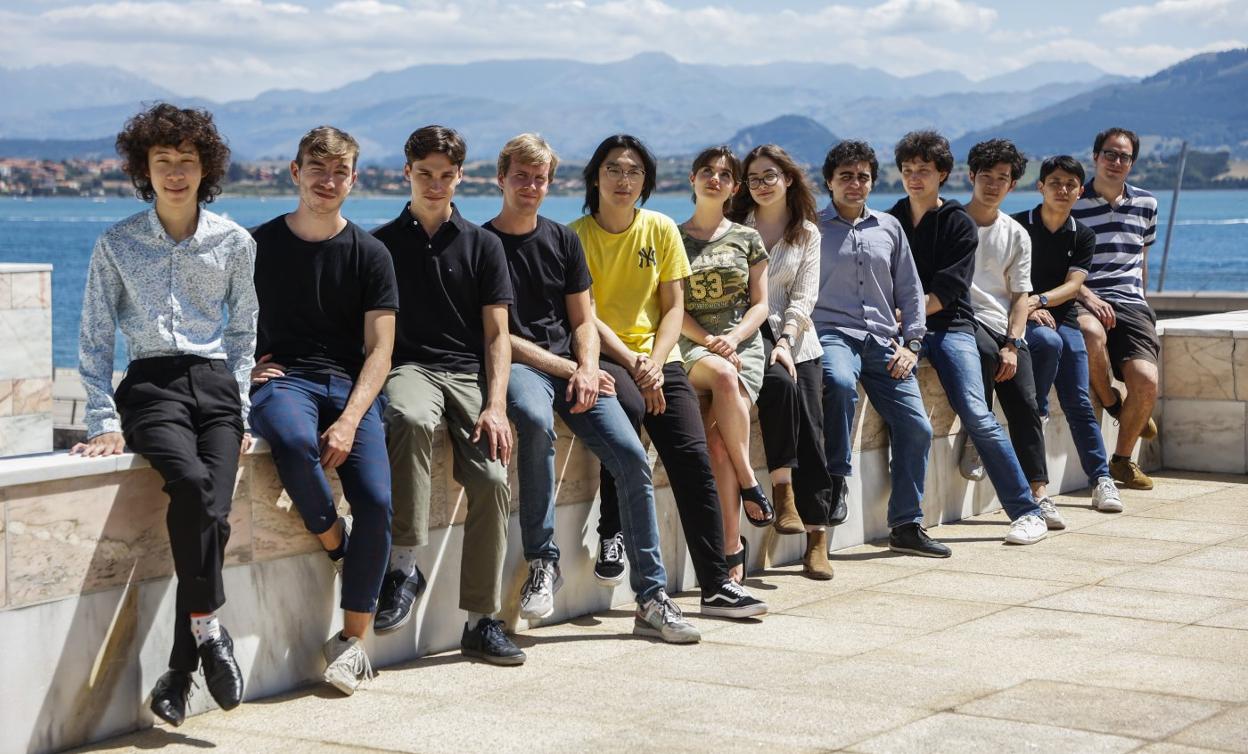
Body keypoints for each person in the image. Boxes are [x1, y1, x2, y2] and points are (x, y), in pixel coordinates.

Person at [73, 102, 254, 725]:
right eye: (162, 161)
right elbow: (96, 337)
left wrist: (244, 409)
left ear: (207, 168)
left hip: (216, 389)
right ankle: (208, 629)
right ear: (142, 170)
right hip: (150, 387)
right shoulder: (117, 243)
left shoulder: (234, 241)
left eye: (187, 160)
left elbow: (244, 338)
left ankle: (178, 674)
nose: (175, 172)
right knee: (195, 488)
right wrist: (102, 418)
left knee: (214, 519)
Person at [486, 133, 698, 643]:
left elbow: (584, 319)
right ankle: (543, 562)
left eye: (540, 178)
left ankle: (650, 597)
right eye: (521, 176)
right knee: (535, 423)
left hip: (573, 368)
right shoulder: (481, 243)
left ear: (551, 182)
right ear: (501, 178)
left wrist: (584, 364)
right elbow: (499, 334)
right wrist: (569, 371)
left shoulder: (563, 239)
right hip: (522, 366)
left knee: (629, 455)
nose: (531, 186)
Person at [572, 133, 766, 618]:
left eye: (634, 171)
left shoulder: (659, 229)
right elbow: (587, 315)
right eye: (614, 169)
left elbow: (674, 305)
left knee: (692, 458)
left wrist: (657, 363)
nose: (623, 179)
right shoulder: (574, 236)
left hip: (663, 358)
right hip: (610, 358)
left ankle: (717, 584)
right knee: (631, 426)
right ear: (596, 176)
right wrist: (636, 365)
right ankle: (612, 534)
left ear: (647, 182)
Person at [247, 126, 397, 695]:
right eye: (318, 168)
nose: (327, 181)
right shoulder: (256, 246)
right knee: (291, 443)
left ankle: (352, 644)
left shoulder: (371, 254)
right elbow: (226, 325)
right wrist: (245, 370)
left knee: (379, 502)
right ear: (295, 172)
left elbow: (381, 349)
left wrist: (353, 417)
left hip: (349, 385)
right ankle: (338, 542)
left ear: (354, 180)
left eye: (340, 172)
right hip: (285, 379)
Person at [372, 125, 524, 664]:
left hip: (467, 376)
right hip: (409, 367)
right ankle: (405, 565)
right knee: (409, 418)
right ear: (407, 172)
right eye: (424, 174)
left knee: (492, 478)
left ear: (460, 176)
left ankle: (481, 622)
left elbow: (497, 335)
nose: (435, 185)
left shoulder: (484, 246)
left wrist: (497, 404)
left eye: (445, 175)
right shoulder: (381, 245)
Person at [887, 130, 1046, 546]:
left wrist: (906, 314)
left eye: (924, 170)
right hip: (900, 331)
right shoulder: (892, 220)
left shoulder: (958, 223)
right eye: (907, 170)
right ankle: (905, 523)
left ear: (943, 173)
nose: (914, 178)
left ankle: (1028, 511)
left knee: (977, 414)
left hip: (949, 327)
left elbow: (949, 291)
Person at [815, 140, 949, 558]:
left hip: (883, 340)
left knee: (918, 428)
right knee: (837, 382)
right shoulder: (810, 228)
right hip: (831, 334)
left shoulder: (890, 228)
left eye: (863, 177)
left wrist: (912, 343)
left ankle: (906, 524)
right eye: (846, 177)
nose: (855, 184)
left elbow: (910, 291)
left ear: (873, 181)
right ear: (829, 182)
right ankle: (836, 480)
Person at [730, 143, 840, 580]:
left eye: (769, 176)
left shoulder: (807, 233)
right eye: (753, 178)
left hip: (798, 338)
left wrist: (786, 341)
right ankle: (782, 492)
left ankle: (817, 537)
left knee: (813, 427)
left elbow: (804, 297)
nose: (761, 185)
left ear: (788, 179)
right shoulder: (736, 228)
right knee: (778, 388)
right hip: (747, 335)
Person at [677, 145, 772, 585]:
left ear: (734, 187)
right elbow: (670, 309)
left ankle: (731, 547)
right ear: (693, 180)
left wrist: (732, 338)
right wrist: (710, 340)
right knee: (722, 373)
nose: (715, 179)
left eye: (724, 175)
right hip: (693, 343)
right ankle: (751, 479)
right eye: (707, 172)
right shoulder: (672, 238)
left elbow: (761, 305)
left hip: (743, 345)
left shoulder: (747, 238)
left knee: (718, 447)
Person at [1015, 156, 1124, 518]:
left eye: (1070, 184)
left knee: (1078, 399)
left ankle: (1102, 479)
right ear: (1040, 186)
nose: (1062, 190)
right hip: (1020, 317)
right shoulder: (1018, 227)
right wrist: (1028, 308)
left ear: (1080, 190)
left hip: (1062, 316)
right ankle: (1035, 464)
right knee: (1047, 347)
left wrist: (1040, 300)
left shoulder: (1082, 234)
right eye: (1055, 182)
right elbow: (1001, 282)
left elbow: (1075, 285)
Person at [963, 139, 1053, 524]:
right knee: (982, 353)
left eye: (1003, 178)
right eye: (986, 176)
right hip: (962, 319)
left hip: (1004, 326)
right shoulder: (952, 222)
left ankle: (1039, 492)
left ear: (1013, 185)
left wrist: (1014, 344)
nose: (993, 185)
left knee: (1025, 403)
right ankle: (976, 435)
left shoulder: (1016, 234)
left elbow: (1021, 297)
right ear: (971, 176)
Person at [1071, 127, 1160, 490]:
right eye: (1109, 154)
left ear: (1132, 163)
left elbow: (1142, 261)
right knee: (1091, 335)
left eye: (1124, 157)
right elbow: (1057, 263)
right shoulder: (1071, 202)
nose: (1116, 162)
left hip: (1131, 304)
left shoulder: (1147, 204)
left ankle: (1122, 461)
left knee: (1147, 381)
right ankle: (1113, 404)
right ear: (1095, 157)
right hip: (1084, 297)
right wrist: (1087, 296)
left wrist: (1144, 304)